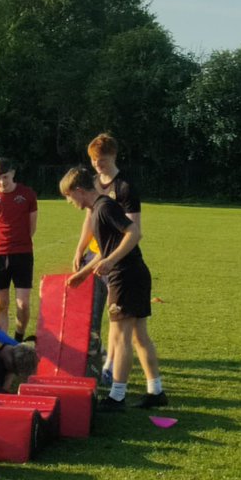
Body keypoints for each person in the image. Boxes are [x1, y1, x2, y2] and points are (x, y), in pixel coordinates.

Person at [61, 166, 166, 409]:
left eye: (68, 196)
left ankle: (117, 396)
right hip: (135, 273)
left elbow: (134, 232)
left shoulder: (104, 208)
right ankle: (156, 391)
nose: (69, 201)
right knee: (140, 337)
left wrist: (111, 261)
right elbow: (106, 251)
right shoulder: (98, 209)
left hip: (125, 276)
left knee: (120, 338)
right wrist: (83, 274)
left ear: (79, 190)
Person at [72, 133, 141, 385]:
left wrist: (110, 258)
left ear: (113, 156)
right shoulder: (92, 182)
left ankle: (110, 365)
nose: (97, 165)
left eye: (101, 160)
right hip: (93, 253)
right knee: (92, 313)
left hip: (112, 256)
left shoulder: (124, 187)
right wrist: (80, 249)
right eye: (93, 160)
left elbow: (133, 230)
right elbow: (89, 219)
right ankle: (92, 362)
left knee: (115, 316)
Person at [0, 157, 38, 341]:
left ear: (13, 173)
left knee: (23, 304)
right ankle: (3, 342)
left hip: (23, 255)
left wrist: (19, 243)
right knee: (1, 304)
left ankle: (18, 339)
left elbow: (32, 227)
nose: (2, 182)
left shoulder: (27, 194)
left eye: (5, 177)